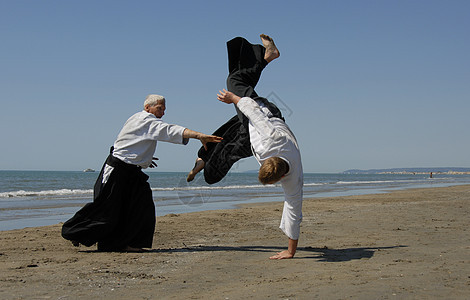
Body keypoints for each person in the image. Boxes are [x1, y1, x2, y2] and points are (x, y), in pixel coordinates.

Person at [189, 35, 303, 259]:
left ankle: (205, 158)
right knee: (234, 81)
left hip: (250, 140)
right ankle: (267, 57)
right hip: (263, 112)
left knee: (222, 157)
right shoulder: (271, 138)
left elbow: (294, 210)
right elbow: (252, 110)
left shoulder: (293, 177)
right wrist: (234, 98)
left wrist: (290, 252)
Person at [61, 94, 222, 252]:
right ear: (147, 107)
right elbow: (168, 130)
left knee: (142, 205)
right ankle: (74, 232)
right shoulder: (144, 120)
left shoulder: (142, 120)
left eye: (164, 109)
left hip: (132, 171)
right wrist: (199, 135)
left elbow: (132, 141)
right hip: (118, 170)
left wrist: (143, 159)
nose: (162, 113)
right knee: (107, 210)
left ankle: (127, 243)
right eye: (160, 108)